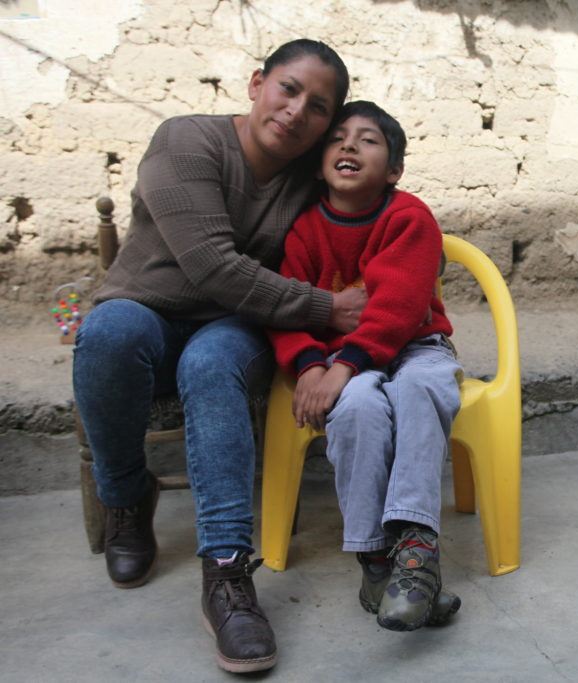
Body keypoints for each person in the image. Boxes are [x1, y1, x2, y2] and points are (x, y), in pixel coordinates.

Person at [72, 39, 363, 674]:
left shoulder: (307, 175)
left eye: (318, 107)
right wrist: (328, 307)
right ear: (257, 82)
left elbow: (366, 203)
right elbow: (213, 267)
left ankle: (228, 575)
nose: (296, 112)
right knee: (108, 333)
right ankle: (126, 499)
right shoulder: (186, 141)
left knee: (209, 366)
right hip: (148, 309)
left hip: (235, 326)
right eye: (288, 89)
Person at [267, 100, 463, 632]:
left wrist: (342, 365)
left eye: (368, 139)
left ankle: (417, 550)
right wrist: (309, 366)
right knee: (353, 408)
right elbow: (284, 309)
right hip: (337, 362)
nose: (349, 145)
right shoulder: (304, 231)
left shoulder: (408, 217)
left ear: (394, 169)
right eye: (337, 138)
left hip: (417, 347)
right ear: (319, 162)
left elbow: (398, 308)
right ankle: (377, 562)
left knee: (420, 389)